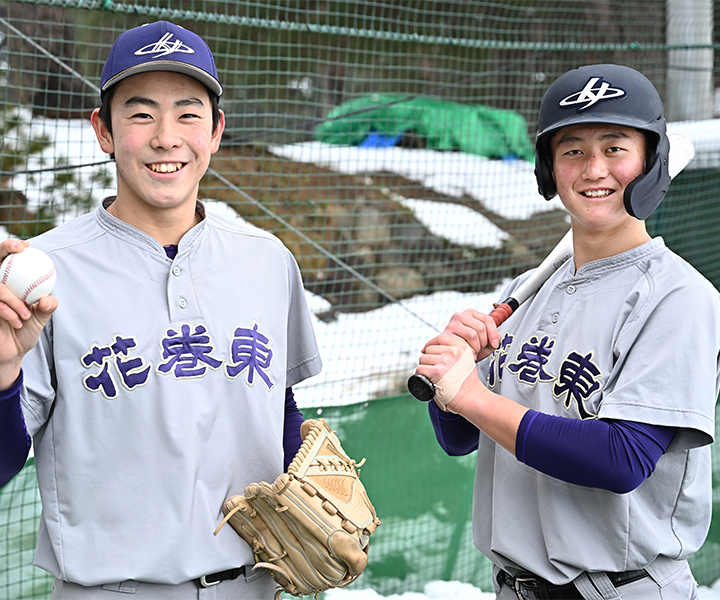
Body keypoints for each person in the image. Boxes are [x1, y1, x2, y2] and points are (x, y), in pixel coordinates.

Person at [0, 20, 322, 599]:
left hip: (253, 587)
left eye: (189, 113)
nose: (167, 137)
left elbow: (278, 405)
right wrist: (0, 373)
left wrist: (310, 476)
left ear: (217, 130)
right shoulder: (47, 271)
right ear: (103, 129)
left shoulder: (267, 261)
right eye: (141, 113)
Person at [415, 64, 720, 600]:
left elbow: (621, 459)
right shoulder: (530, 291)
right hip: (513, 586)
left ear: (649, 162)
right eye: (572, 150)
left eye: (615, 147)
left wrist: (472, 396)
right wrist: (451, 385)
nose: (593, 169)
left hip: (623, 588)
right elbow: (461, 440)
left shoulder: (680, 298)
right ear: (550, 169)